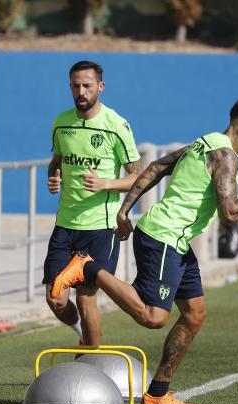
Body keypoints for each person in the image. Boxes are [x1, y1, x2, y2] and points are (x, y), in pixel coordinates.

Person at [51, 98, 238, 404]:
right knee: (154, 317)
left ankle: (157, 393)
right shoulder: (225, 157)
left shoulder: (204, 142)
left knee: (194, 315)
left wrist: (125, 211)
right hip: (163, 237)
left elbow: (156, 167)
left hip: (176, 239)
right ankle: (87, 267)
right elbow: (230, 213)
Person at [44, 60, 142, 348]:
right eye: (75, 86)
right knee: (56, 299)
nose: (81, 91)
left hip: (101, 228)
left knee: (86, 299)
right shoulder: (61, 123)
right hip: (66, 225)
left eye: (87, 85)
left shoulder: (116, 125)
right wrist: (54, 179)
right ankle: (83, 337)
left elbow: (138, 176)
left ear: (100, 86)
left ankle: (92, 363)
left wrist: (106, 184)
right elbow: (56, 162)